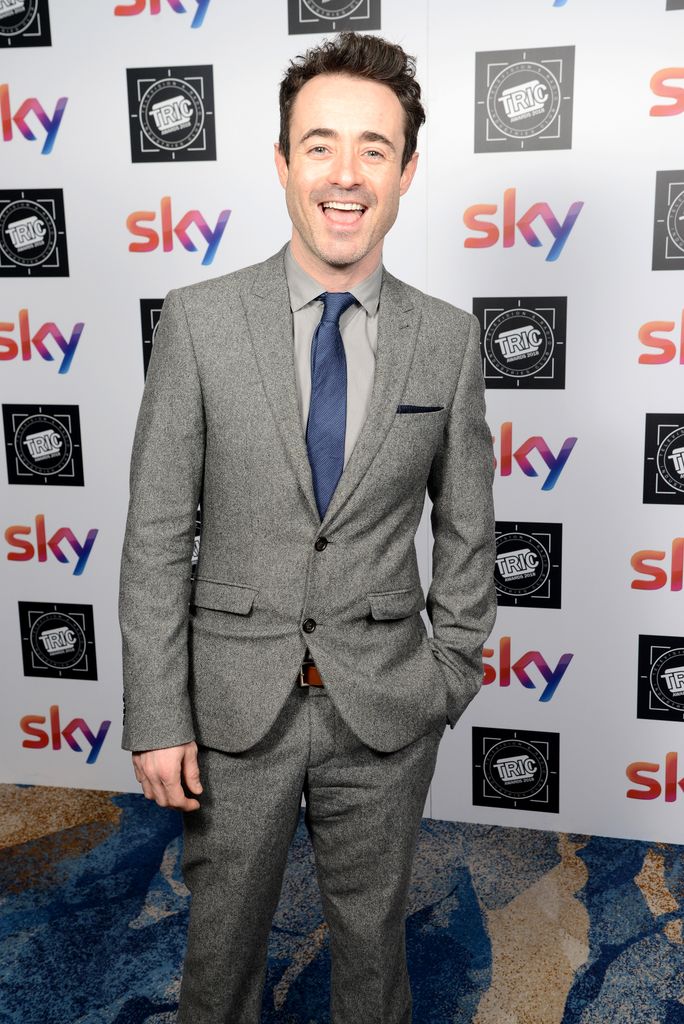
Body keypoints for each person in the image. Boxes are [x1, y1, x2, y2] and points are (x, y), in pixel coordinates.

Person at [118, 30, 496, 1024]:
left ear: (407, 169)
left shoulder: (449, 342)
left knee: (373, 950)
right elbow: (157, 531)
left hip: (385, 705)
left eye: (375, 147)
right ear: (283, 162)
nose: (346, 173)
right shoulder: (198, 322)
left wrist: (446, 674)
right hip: (233, 705)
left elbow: (469, 531)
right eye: (320, 144)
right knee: (222, 949)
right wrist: (158, 710)